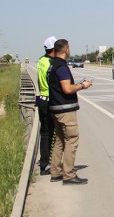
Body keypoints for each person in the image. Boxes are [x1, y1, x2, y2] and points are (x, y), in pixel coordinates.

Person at [47, 39, 92, 185]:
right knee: (71, 140)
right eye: (69, 48)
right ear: (66, 50)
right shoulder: (61, 67)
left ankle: (56, 172)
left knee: (60, 141)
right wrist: (82, 85)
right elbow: (67, 89)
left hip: (55, 109)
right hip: (65, 110)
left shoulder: (52, 65)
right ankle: (68, 175)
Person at [36, 36, 57, 175]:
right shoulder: (52, 63)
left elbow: (39, 80)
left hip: (42, 99)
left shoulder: (40, 61)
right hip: (50, 99)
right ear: (54, 49)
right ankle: (54, 164)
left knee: (44, 133)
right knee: (54, 133)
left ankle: (43, 164)